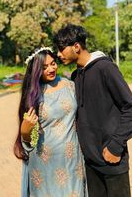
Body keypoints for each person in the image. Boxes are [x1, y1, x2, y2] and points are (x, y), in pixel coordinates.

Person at [53, 24, 132, 197]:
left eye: (62, 49)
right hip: (90, 162)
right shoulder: (77, 75)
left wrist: (116, 146)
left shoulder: (106, 69)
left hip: (112, 159)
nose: (59, 54)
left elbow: (131, 108)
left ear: (76, 46)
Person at [14, 47, 88, 197]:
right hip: (44, 163)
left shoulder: (69, 85)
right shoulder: (33, 95)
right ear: (36, 71)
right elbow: (30, 140)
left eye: (53, 63)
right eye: (44, 67)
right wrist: (25, 132)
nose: (51, 69)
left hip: (72, 159)